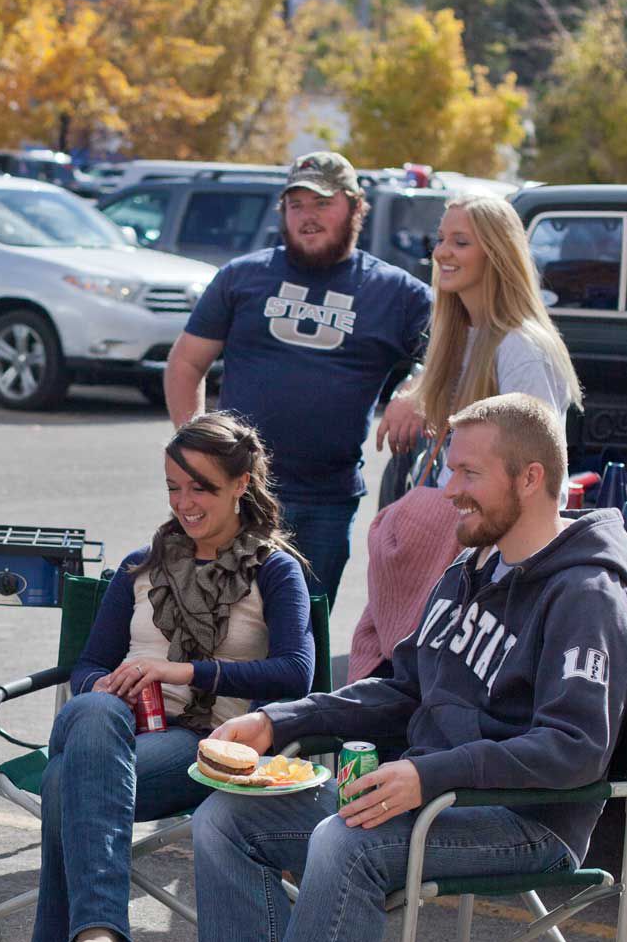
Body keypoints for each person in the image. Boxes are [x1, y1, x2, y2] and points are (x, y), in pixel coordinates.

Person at [169, 393, 627, 942]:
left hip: (523, 819)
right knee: (229, 819)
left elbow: (575, 749)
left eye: (467, 471)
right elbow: (402, 688)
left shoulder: (587, 593)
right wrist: (282, 721)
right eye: (449, 466)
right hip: (433, 797)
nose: (448, 487)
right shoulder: (471, 567)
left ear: (530, 478)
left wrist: (429, 774)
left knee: (344, 843)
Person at [20, 414, 315, 942]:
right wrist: (106, 683)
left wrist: (180, 669)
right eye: (173, 487)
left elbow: (297, 674)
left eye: (200, 487)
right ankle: (97, 926)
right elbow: (90, 666)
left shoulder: (274, 570)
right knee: (92, 713)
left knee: (68, 779)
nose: (184, 503)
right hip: (118, 728)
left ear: (242, 483)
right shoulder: (138, 567)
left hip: (207, 742)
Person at [163, 151, 432, 609]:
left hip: (326, 502)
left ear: (355, 207)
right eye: (297, 205)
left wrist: (416, 387)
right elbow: (186, 364)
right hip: (237, 497)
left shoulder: (397, 293)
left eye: (322, 203)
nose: (308, 217)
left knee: (302, 636)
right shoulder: (242, 277)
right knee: (217, 625)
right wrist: (197, 461)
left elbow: (458, 357)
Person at [349, 194, 581, 679]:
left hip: (493, 570)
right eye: (440, 240)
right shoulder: (462, 334)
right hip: (450, 559)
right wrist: (411, 391)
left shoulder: (522, 348)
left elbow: (543, 479)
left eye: (460, 242)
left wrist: (504, 567)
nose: (442, 253)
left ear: (496, 253)